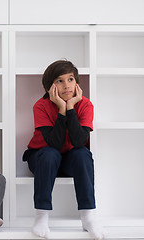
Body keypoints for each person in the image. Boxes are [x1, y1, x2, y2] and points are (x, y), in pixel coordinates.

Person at [22, 60, 105, 239]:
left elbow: (79, 141)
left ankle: (88, 216)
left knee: (83, 154)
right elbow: (54, 144)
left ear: (77, 83)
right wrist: (61, 108)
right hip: (42, 157)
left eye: (70, 79)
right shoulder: (41, 106)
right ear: (49, 87)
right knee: (51, 154)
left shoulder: (85, 105)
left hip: (69, 159)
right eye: (59, 81)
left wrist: (71, 107)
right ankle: (41, 217)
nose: (66, 85)